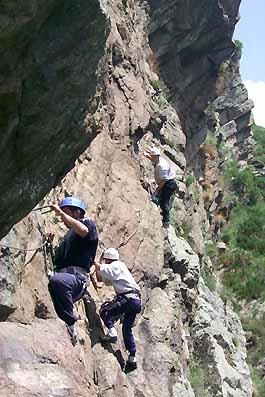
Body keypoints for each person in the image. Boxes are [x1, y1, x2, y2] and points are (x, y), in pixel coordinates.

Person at [48, 197, 98, 345]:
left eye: (67, 213)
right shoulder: (68, 236)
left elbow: (83, 231)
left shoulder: (87, 223)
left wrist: (61, 214)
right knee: (56, 280)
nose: (63, 218)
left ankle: (70, 322)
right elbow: (58, 260)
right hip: (65, 275)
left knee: (57, 280)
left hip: (77, 278)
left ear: (77, 212)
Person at [95, 248, 141, 372]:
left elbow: (104, 269)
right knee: (127, 329)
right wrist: (97, 269)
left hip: (129, 298)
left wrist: (94, 262)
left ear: (108, 259)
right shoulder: (118, 269)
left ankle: (112, 333)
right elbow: (102, 279)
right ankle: (132, 358)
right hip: (135, 301)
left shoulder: (117, 265)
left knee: (105, 311)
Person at [144, 147, 177, 228]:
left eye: (152, 156)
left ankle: (166, 222)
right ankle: (162, 215)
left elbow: (163, 181)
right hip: (167, 182)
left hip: (169, 184)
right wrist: (147, 156)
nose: (151, 157)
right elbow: (153, 159)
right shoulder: (159, 159)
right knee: (161, 198)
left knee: (164, 202)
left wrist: (156, 191)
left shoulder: (162, 166)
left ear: (155, 156)